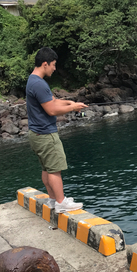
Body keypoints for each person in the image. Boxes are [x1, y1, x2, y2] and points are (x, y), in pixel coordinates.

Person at [26, 47, 88, 213]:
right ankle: (61, 203)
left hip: (36, 134)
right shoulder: (39, 84)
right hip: (46, 134)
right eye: (53, 65)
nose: (54, 68)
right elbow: (51, 110)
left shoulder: (33, 80)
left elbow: (52, 101)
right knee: (55, 169)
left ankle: (53, 200)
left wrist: (70, 104)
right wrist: (71, 108)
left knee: (47, 168)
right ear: (45, 64)